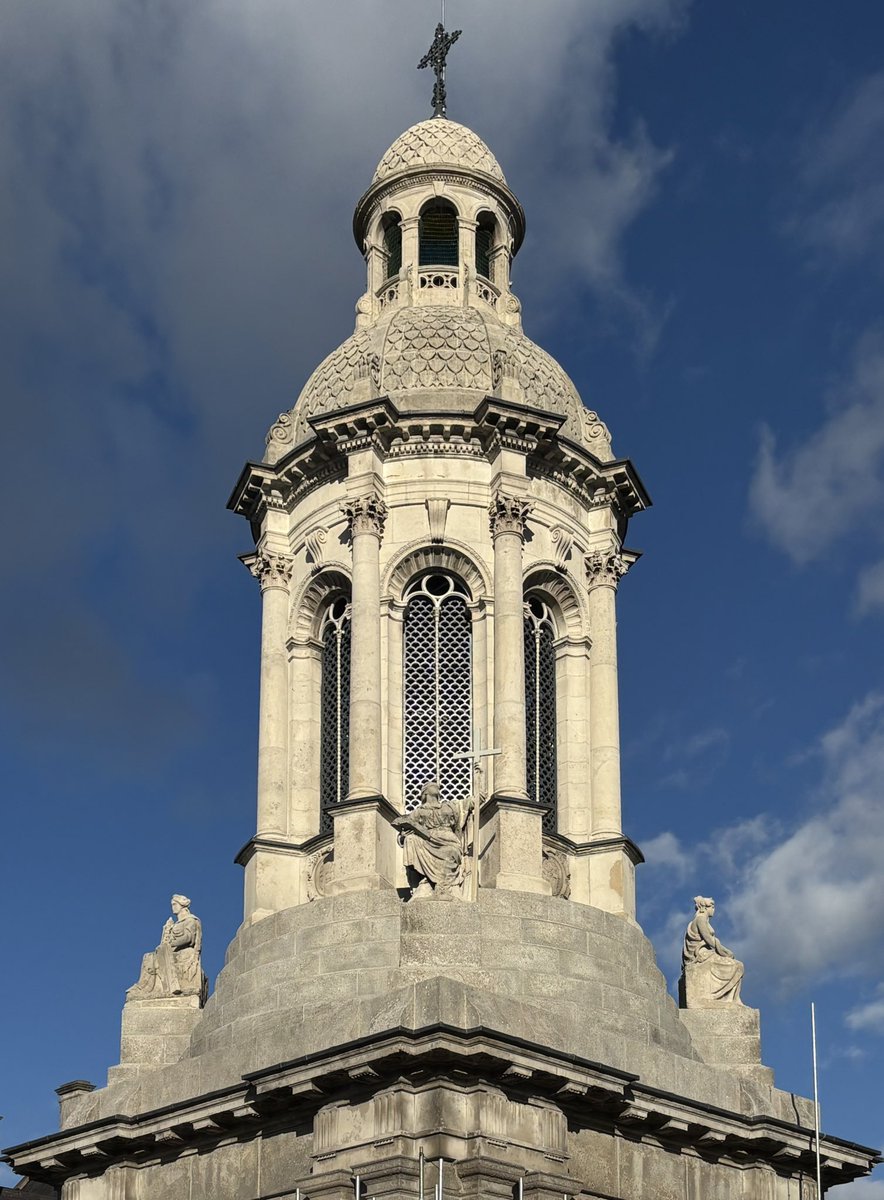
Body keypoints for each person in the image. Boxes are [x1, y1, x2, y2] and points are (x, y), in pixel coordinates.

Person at [394, 781, 473, 898]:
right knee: (410, 839)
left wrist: (480, 789)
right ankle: (427, 878)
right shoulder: (418, 812)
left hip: (448, 840)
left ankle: (445, 884)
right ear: (424, 793)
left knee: (451, 851)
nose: (434, 785)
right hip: (427, 840)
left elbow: (468, 803)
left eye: (435, 785)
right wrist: (404, 835)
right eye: (430, 785)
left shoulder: (449, 806)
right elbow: (403, 832)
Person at [127, 894, 207, 1003]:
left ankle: (147, 988)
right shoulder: (175, 923)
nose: (173, 907)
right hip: (173, 951)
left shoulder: (190, 920)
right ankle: (144, 986)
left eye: (174, 904)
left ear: (182, 905)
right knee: (148, 956)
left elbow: (188, 938)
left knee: (154, 957)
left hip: (184, 953)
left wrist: (171, 943)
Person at [682, 896, 744, 1005]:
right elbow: (710, 940)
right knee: (737, 966)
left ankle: (732, 998)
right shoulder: (700, 919)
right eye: (712, 906)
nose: (713, 909)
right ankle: (726, 999)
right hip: (702, 956)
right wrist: (725, 952)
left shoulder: (703, 920)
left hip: (708, 953)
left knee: (738, 965)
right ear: (704, 908)